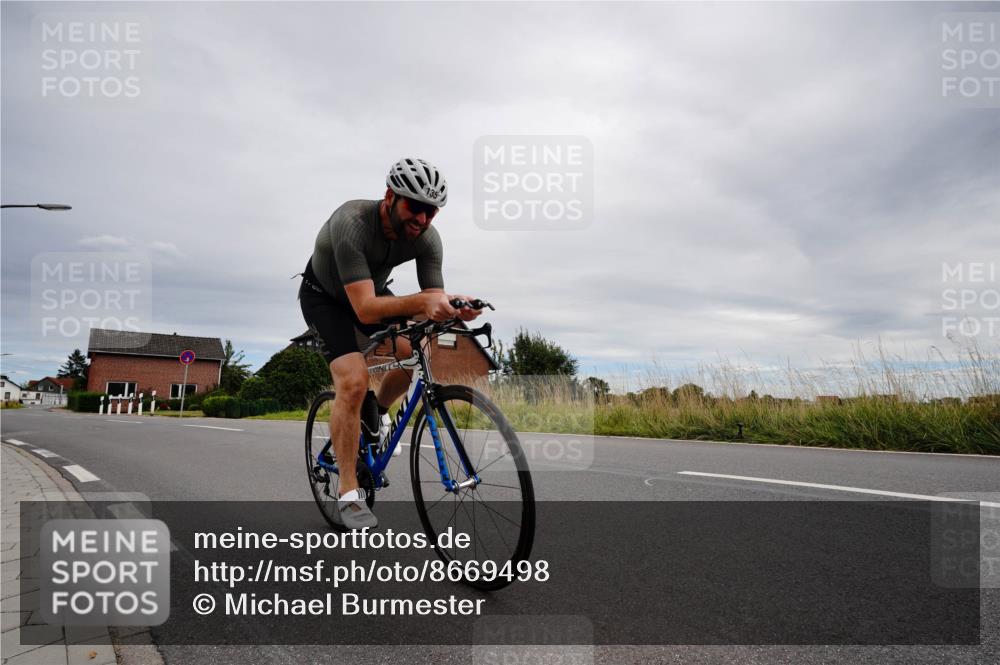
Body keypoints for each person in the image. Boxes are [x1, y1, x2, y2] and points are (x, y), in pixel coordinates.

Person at [299, 158, 481, 529]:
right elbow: (365, 310)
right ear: (389, 197)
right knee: (352, 381)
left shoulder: (428, 239)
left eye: (431, 211)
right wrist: (421, 303)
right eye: (415, 207)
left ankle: (377, 414)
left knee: (417, 351)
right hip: (327, 298)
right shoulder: (351, 222)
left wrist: (451, 308)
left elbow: (430, 302)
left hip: (371, 290)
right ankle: (349, 493)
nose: (423, 219)